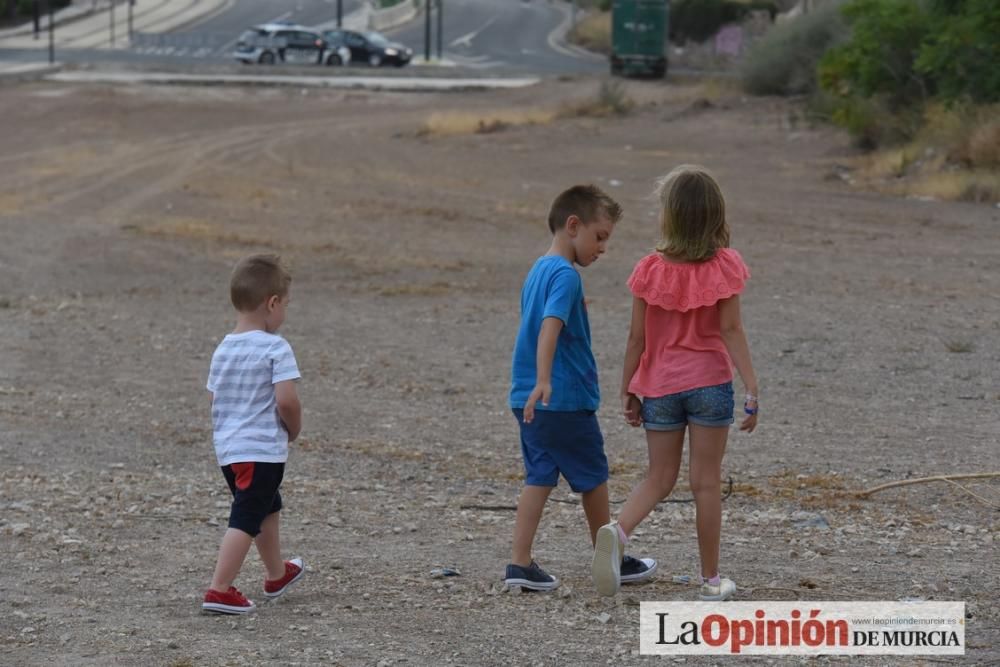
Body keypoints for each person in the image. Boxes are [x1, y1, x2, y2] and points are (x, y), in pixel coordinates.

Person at [591, 165, 759, 600]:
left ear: (668, 215)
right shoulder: (724, 266)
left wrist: (627, 388)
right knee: (705, 482)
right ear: (715, 215)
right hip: (709, 385)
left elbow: (636, 338)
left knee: (658, 477)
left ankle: (617, 530)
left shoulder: (650, 269)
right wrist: (752, 386)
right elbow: (731, 331)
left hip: (661, 387)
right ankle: (710, 580)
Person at [505, 185, 657, 592]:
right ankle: (609, 558)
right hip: (562, 400)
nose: (603, 248)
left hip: (526, 400)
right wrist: (545, 379)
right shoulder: (566, 276)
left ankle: (519, 563)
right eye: (600, 236)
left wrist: (533, 385)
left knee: (539, 476)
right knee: (593, 476)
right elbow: (549, 326)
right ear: (573, 225)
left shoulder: (537, 269)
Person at [202, 254, 305, 614]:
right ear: (272, 303)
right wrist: (293, 428)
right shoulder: (276, 347)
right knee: (247, 516)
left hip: (230, 452)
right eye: (286, 305)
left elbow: (215, 397)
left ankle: (277, 574)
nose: (285, 313)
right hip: (261, 452)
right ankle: (219, 588)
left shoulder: (224, 348)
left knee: (266, 507)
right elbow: (286, 401)